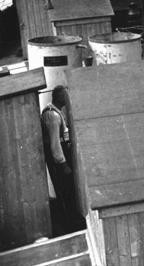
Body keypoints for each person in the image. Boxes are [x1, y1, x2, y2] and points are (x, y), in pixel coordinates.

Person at [41, 85, 76, 233]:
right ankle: (69, 224)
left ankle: (70, 220)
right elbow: (55, 144)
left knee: (67, 192)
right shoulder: (53, 116)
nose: (67, 98)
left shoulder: (57, 112)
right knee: (64, 192)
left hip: (62, 160)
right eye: (64, 95)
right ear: (58, 97)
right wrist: (63, 164)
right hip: (59, 163)